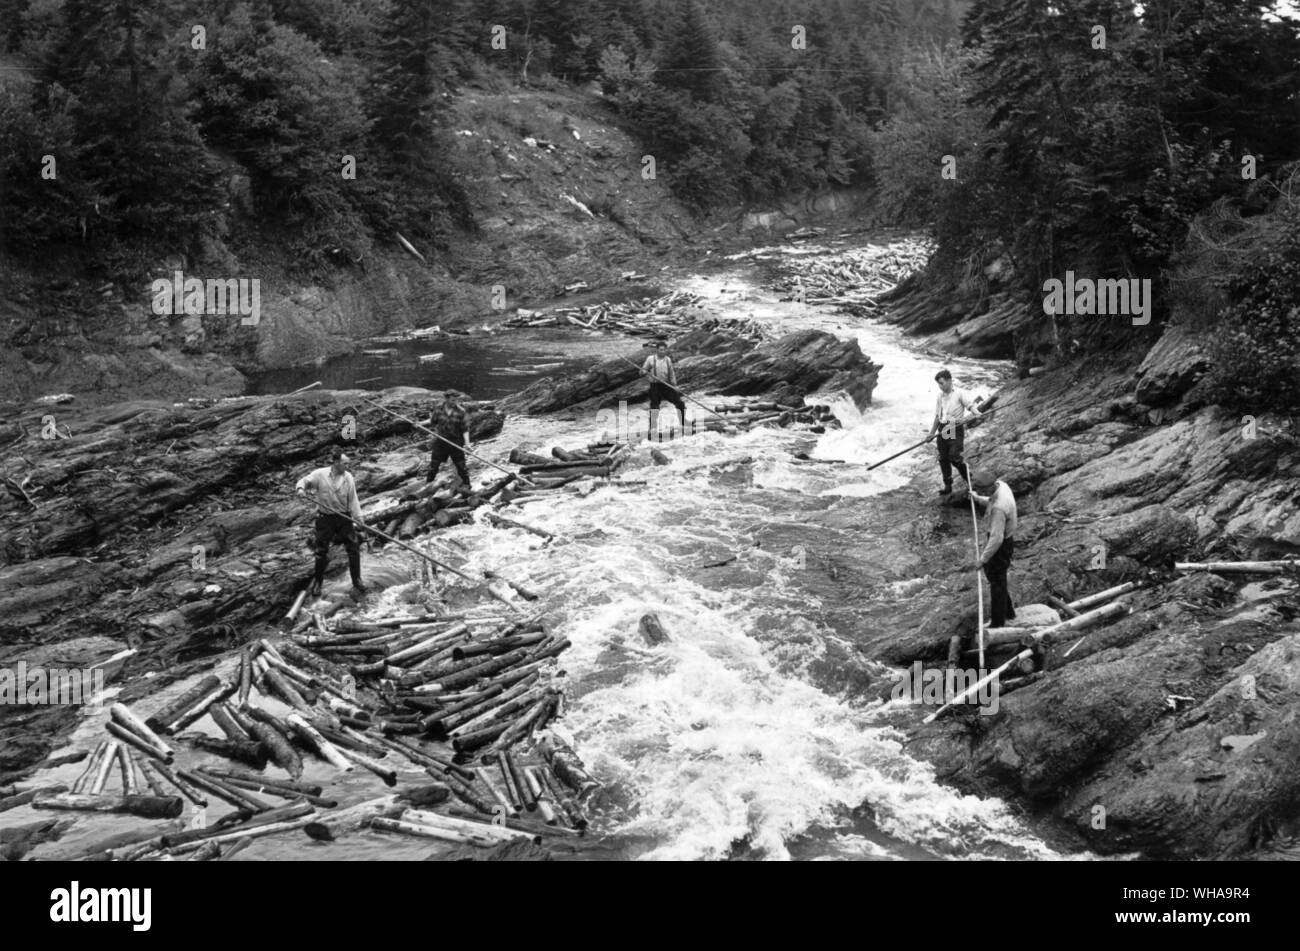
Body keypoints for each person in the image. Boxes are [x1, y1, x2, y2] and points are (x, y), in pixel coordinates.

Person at [296, 449, 366, 598]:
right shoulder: (320, 475)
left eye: (348, 463)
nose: (347, 466)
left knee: (353, 548)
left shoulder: (348, 477)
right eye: (344, 463)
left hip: (344, 518)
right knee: (321, 551)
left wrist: (359, 517)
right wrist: (301, 489)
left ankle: (357, 580)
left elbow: (353, 499)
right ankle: (318, 583)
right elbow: (304, 481)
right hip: (325, 518)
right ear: (335, 462)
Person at [969, 468, 1018, 628]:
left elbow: (997, 539)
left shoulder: (999, 508)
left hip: (1001, 544)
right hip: (1002, 539)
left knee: (996, 582)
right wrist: (977, 498)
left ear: (990, 487)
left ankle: (998, 623)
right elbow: (990, 500)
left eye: (982, 490)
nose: (981, 492)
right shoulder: (1001, 485)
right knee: (999, 579)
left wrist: (982, 560)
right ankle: (1009, 612)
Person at [928, 369, 980, 495]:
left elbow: (970, 406)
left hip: (955, 427)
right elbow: (937, 416)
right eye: (938, 384)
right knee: (943, 458)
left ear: (950, 381)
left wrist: (977, 413)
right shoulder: (940, 396)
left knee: (954, 457)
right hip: (943, 428)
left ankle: (970, 479)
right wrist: (931, 433)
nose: (940, 387)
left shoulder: (959, 393)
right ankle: (948, 486)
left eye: (942, 383)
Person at [641, 340, 686, 439]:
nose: (663, 351)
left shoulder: (667, 360)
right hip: (655, 386)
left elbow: (671, 373)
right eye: (661, 350)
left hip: (666, 385)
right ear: (657, 350)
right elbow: (642, 371)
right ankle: (652, 429)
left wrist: (675, 385)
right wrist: (644, 371)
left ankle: (683, 424)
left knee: (680, 403)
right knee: (655, 407)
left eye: (665, 350)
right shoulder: (650, 359)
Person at [427, 391, 471, 489]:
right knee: (433, 465)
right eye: (452, 400)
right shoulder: (438, 409)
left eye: (456, 400)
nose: (455, 402)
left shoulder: (461, 411)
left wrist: (467, 444)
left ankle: (467, 485)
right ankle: (427, 484)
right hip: (441, 441)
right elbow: (433, 423)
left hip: (456, 442)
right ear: (446, 399)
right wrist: (423, 426)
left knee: (461, 466)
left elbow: (465, 429)